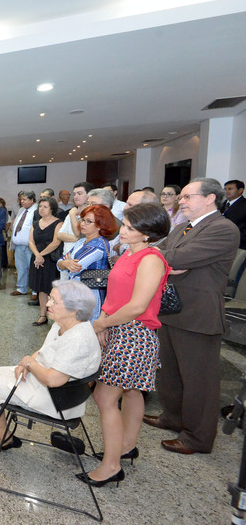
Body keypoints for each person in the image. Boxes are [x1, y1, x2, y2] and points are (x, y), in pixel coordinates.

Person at [144, 178, 239, 454]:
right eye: (181, 197)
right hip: (170, 309)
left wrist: (170, 260)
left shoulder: (223, 228)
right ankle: (173, 418)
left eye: (187, 196)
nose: (181, 201)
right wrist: (169, 260)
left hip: (198, 315)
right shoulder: (183, 227)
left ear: (210, 198)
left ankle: (197, 437)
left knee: (199, 380)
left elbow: (174, 259)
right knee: (170, 373)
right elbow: (158, 254)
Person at [82, 203, 171, 486]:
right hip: (118, 327)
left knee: (104, 397)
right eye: (125, 225)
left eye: (131, 228)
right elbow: (114, 294)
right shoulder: (127, 253)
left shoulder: (151, 259)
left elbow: (137, 306)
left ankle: (111, 466)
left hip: (135, 334)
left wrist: (101, 325)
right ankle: (126, 446)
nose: (123, 230)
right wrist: (104, 318)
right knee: (132, 391)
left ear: (147, 234)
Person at [0, 280, 100, 449]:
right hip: (49, 385)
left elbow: (53, 380)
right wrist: (27, 363)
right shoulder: (64, 323)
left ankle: (5, 437)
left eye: (54, 301)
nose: (48, 304)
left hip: (56, 399)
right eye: (49, 298)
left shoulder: (77, 339)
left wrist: (29, 362)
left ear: (74, 310)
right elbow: (44, 351)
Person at [57, 205, 116, 321]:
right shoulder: (81, 241)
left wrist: (66, 263)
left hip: (90, 294)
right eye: (83, 220)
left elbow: (75, 268)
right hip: (76, 291)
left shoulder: (98, 244)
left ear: (100, 225)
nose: (82, 224)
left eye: (88, 221)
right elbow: (60, 262)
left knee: (87, 327)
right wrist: (65, 263)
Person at [28, 197, 63, 326]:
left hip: (50, 259)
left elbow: (56, 242)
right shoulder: (35, 223)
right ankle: (43, 316)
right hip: (37, 259)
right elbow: (31, 241)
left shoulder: (58, 223)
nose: (41, 209)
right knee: (40, 288)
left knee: (52, 288)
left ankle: (57, 317)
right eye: (40, 206)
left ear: (52, 209)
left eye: (45, 207)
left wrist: (41, 255)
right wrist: (37, 255)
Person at [10, 191, 37, 296]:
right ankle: (21, 288)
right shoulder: (22, 210)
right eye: (21, 199)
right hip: (19, 245)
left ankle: (35, 291)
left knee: (33, 269)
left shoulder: (37, 211)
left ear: (32, 200)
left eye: (24, 199)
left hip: (31, 246)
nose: (22, 201)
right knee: (20, 268)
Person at [222, 179, 246, 249]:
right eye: (225, 189)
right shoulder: (220, 204)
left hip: (239, 245)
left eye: (230, 189)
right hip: (220, 243)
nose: (226, 192)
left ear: (240, 190)